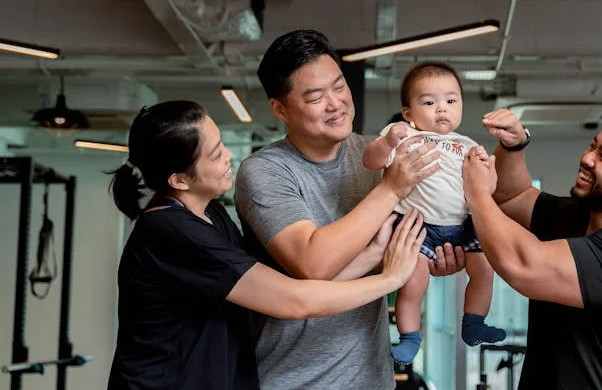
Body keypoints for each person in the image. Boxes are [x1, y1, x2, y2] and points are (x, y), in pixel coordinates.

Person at [106, 100, 427, 390]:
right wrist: (390, 279)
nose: (229, 155)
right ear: (179, 179)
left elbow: (285, 291)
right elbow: (295, 301)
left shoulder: (210, 214)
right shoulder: (172, 231)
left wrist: (374, 254)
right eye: (216, 154)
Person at [234, 30, 465, 389]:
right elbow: (313, 263)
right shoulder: (264, 171)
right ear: (280, 108)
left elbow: (404, 241)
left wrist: (432, 254)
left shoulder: (377, 153)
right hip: (293, 379)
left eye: (339, 86)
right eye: (315, 96)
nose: (335, 103)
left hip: (371, 378)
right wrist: (391, 189)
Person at [462, 103, 602, 389]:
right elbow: (510, 196)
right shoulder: (579, 215)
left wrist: (477, 196)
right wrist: (514, 146)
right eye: (593, 146)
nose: (587, 159)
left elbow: (523, 267)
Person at [363, 62, 506, 365]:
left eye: (451, 101)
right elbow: (371, 161)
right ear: (409, 113)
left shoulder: (467, 145)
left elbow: (486, 190)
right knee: (412, 283)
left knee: (485, 270)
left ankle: (473, 322)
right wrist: (387, 142)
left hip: (464, 225)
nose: (442, 109)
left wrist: (489, 170)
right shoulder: (402, 136)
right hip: (418, 226)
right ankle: (410, 337)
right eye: (429, 102)